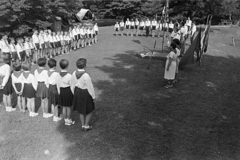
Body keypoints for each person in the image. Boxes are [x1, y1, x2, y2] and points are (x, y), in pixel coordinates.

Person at [71, 58, 95, 131]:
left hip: (77, 92)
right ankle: (86, 125)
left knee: (81, 110)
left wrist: (73, 93)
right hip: (85, 92)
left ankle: (82, 125)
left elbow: (72, 84)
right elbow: (90, 87)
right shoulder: (86, 75)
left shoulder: (73, 73)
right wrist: (93, 96)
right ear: (85, 65)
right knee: (89, 110)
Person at [56, 59, 75, 126]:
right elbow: (72, 86)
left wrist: (59, 92)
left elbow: (57, 85)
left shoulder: (58, 75)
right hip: (68, 91)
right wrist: (73, 94)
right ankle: (69, 120)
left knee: (64, 107)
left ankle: (65, 119)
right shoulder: (69, 76)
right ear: (67, 66)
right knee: (68, 107)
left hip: (61, 91)